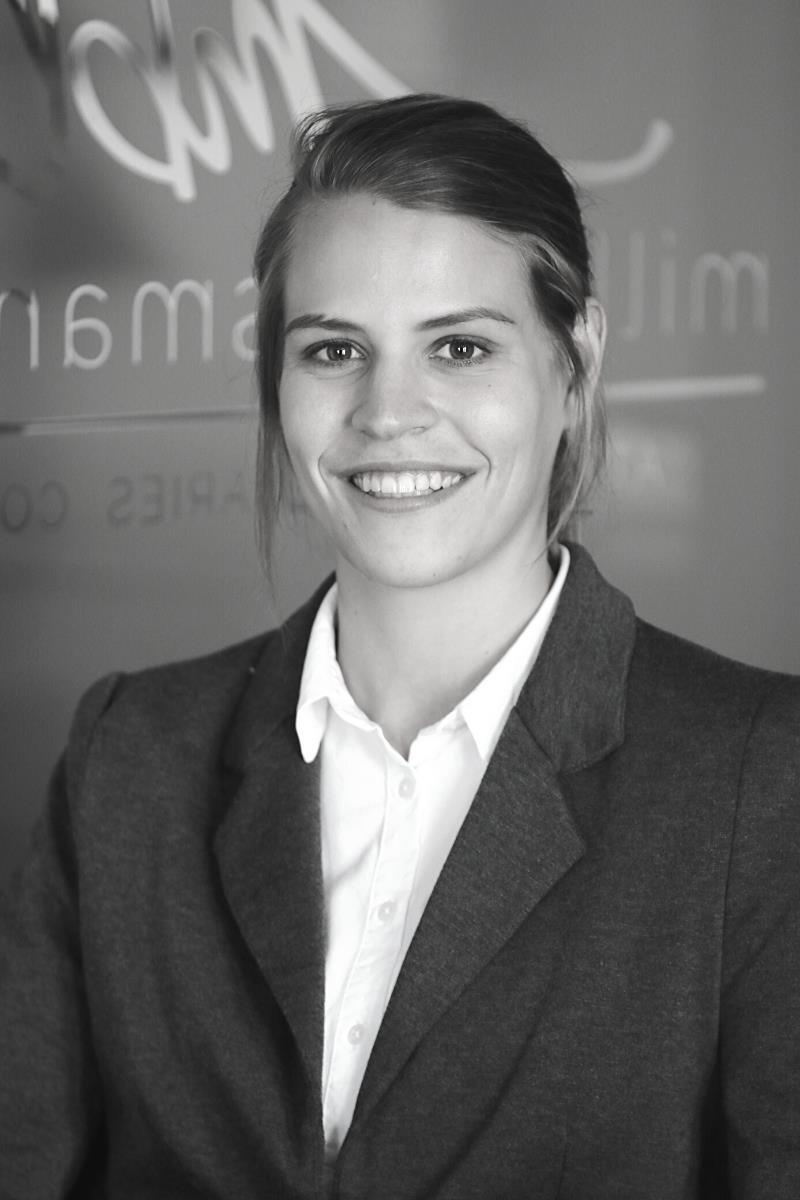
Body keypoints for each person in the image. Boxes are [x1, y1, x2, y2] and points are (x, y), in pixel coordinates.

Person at [1, 93, 799, 1200]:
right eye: (335, 349)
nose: (388, 412)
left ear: (575, 364)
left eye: (460, 347)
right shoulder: (126, 755)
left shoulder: (760, 780)